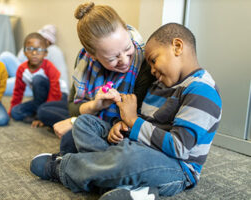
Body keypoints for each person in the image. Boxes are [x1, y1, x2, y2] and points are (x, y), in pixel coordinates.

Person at [30, 23, 222, 200]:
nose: (152, 70)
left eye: (154, 61)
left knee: (132, 157)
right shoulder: (158, 85)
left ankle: (64, 168)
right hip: (136, 148)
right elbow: (146, 124)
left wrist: (132, 121)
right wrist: (123, 126)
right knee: (84, 124)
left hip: (175, 167)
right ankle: (131, 189)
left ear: (177, 47)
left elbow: (179, 147)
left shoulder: (201, 90)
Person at [52, 2, 154, 154]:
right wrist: (96, 106)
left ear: (127, 30)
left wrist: (75, 121)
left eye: (127, 48)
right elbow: (72, 107)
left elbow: (140, 118)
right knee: (49, 112)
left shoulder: (144, 62)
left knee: (69, 141)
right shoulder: (84, 60)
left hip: (121, 127)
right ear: (92, 55)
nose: (125, 61)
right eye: (112, 58)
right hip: (94, 117)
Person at [0, 24, 69, 97]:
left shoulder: (54, 51)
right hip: (25, 76)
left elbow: (62, 76)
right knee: (5, 56)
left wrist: (63, 95)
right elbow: (19, 66)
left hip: (36, 86)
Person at [9, 32, 62, 126]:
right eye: (30, 49)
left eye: (39, 50)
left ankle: (41, 115)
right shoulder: (22, 69)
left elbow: (55, 91)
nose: (34, 53)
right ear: (24, 52)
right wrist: (12, 109)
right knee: (15, 112)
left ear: (45, 53)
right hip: (38, 101)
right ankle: (37, 114)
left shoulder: (49, 67)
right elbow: (18, 91)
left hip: (55, 99)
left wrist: (46, 114)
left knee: (37, 79)